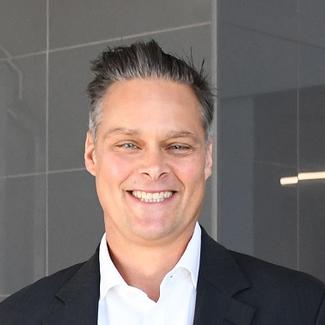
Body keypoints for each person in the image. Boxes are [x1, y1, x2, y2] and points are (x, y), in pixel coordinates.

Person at [0, 40, 324, 325]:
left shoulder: (303, 309)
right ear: (91, 154)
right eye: (129, 144)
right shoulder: (18, 317)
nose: (154, 167)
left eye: (178, 146)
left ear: (207, 158)